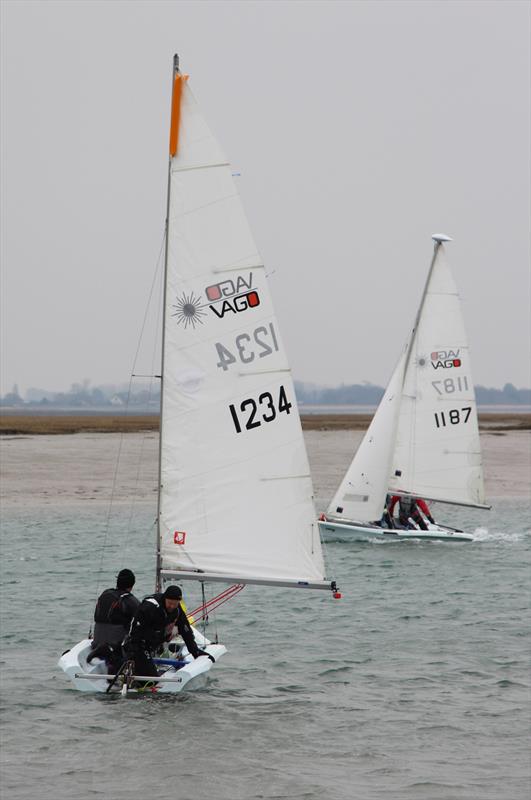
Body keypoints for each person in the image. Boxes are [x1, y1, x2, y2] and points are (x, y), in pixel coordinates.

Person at [125, 585, 214, 681]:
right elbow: (134, 632)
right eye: (169, 603)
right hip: (138, 645)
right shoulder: (150, 607)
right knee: (151, 680)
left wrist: (195, 651)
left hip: (153, 645)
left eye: (175, 604)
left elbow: (185, 629)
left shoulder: (177, 609)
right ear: (165, 598)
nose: (172, 606)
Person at [87, 568, 140, 672]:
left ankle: (102, 650)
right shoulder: (131, 600)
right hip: (116, 645)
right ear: (132, 585)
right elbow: (143, 620)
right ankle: (114, 663)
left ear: (117, 582)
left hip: (97, 641)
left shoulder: (105, 594)